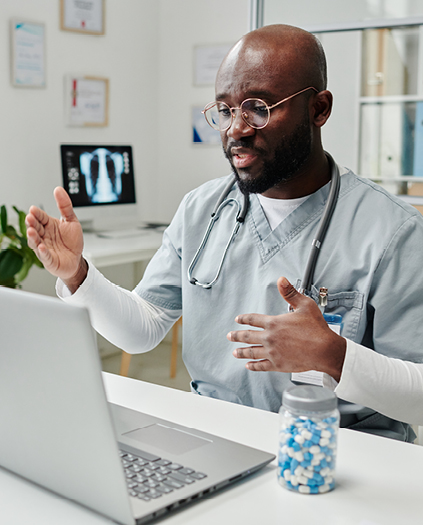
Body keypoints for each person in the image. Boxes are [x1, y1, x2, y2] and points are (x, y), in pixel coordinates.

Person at [26, 24, 423, 440]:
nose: (237, 128)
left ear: (318, 109)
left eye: (259, 107)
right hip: (219, 440)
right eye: (226, 110)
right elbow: (141, 331)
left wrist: (333, 356)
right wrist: (77, 275)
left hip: (342, 454)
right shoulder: (201, 209)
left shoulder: (392, 230)